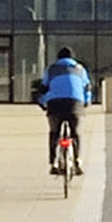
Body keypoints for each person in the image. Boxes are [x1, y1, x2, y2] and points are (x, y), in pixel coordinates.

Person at [38, 46, 92, 175]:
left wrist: (42, 102)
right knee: (76, 133)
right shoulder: (80, 69)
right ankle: (77, 160)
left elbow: (43, 88)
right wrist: (86, 102)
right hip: (75, 103)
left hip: (55, 104)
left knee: (54, 133)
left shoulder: (52, 69)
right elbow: (87, 88)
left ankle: (54, 162)